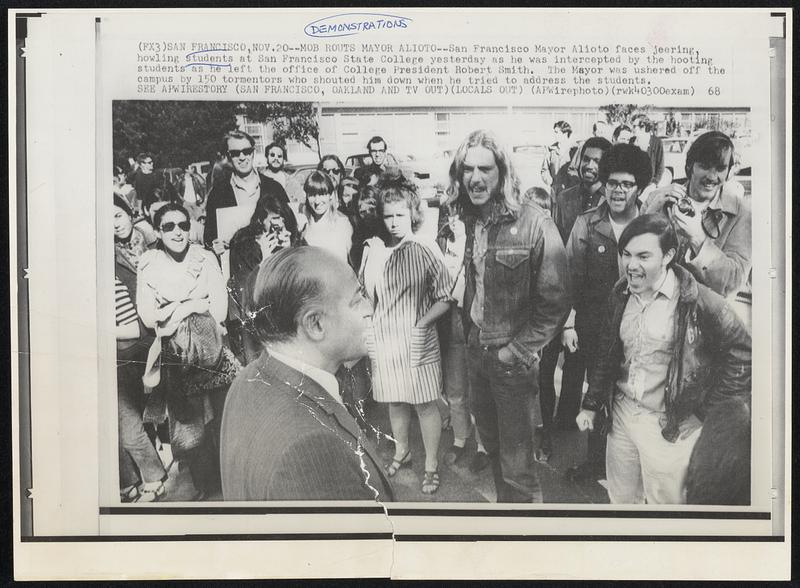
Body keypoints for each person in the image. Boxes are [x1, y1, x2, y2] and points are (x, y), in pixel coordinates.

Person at [575, 214, 751, 504]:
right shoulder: (620, 294)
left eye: (644, 256)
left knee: (667, 511)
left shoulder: (699, 301)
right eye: (627, 254)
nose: (632, 265)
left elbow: (744, 354)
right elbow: (607, 352)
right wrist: (591, 404)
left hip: (668, 429)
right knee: (621, 501)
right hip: (621, 418)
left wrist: (704, 413)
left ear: (668, 255)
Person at [449, 129, 570, 503]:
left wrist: (515, 352)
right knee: (494, 449)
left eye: (485, 168)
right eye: (468, 169)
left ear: (502, 172)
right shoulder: (470, 220)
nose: (475, 178)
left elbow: (556, 302)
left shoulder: (535, 224)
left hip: (511, 361)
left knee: (518, 468)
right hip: (477, 353)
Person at [220, 247, 394, 501]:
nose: (369, 307)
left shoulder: (246, 379)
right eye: (357, 299)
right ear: (315, 324)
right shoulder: (313, 450)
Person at [137, 202, 239, 499]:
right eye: (169, 226)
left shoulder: (204, 258)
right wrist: (194, 304)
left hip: (211, 350)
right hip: (176, 354)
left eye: (183, 225)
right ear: (158, 231)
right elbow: (147, 315)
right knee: (189, 428)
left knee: (222, 421)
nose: (177, 232)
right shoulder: (150, 263)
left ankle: (232, 486)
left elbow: (219, 308)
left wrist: (175, 310)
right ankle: (207, 490)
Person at [563, 143, 652, 482]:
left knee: (635, 393)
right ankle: (596, 461)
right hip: (594, 323)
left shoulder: (651, 224)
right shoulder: (587, 223)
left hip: (640, 324)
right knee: (596, 391)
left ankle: (635, 463)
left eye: (626, 184)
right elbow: (570, 277)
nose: (617, 190)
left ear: (638, 187)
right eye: (612, 182)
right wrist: (568, 324)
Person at [360, 177, 453, 494]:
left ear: (413, 213)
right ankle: (403, 450)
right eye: (388, 215)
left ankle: (430, 465)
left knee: (425, 404)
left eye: (400, 215)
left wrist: (421, 325)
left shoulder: (426, 248)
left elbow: (446, 296)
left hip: (417, 340)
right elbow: (366, 298)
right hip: (385, 340)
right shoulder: (375, 251)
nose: (394, 222)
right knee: (396, 401)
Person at [538, 136, 613, 461]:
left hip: (590, 299)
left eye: (598, 161)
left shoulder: (610, 202)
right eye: (587, 159)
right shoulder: (564, 197)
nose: (590, 166)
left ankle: (566, 419)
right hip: (556, 291)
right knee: (545, 362)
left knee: (578, 361)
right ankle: (547, 423)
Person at [642, 130, 751, 299]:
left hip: (704, 317)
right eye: (705, 166)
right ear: (690, 165)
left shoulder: (740, 214)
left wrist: (698, 239)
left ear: (729, 171)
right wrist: (651, 214)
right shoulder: (659, 199)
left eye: (720, 168)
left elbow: (733, 284)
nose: (712, 176)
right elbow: (634, 258)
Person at [113, 195, 167, 502]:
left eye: (118, 215)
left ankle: (154, 473)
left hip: (147, 333)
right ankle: (141, 475)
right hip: (135, 336)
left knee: (146, 410)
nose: (114, 224)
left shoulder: (150, 240)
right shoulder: (110, 253)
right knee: (134, 412)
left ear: (129, 213)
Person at [436, 202, 489, 471]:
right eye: (449, 214)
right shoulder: (442, 241)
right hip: (449, 319)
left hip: (474, 320)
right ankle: (459, 437)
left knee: (478, 386)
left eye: (459, 214)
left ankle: (483, 445)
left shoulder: (480, 239)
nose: (454, 219)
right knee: (455, 387)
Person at [228, 194, 302, 365]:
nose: (277, 229)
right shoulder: (244, 246)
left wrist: (289, 251)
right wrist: (264, 259)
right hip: (259, 326)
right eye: (273, 221)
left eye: (281, 222)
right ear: (261, 222)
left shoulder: (293, 241)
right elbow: (244, 296)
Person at [203, 130, 290, 252]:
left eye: (247, 152)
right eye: (235, 153)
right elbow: (209, 237)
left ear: (253, 153)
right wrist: (214, 247)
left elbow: (290, 225)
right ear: (228, 156)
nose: (242, 157)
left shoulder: (275, 188)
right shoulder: (217, 194)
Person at [298, 170, 353, 265]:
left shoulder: (342, 224)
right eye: (312, 195)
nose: (317, 201)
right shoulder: (303, 223)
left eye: (322, 194)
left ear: (331, 195)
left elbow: (349, 262)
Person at [631, 114, 666, 189]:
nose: (632, 129)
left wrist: (654, 183)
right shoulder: (632, 141)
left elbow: (660, 166)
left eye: (634, 126)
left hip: (649, 186)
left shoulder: (657, 142)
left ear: (643, 126)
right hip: (633, 184)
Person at [541, 121, 576, 196]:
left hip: (570, 191)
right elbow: (544, 169)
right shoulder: (551, 150)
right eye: (554, 132)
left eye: (557, 132)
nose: (555, 135)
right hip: (555, 191)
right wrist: (550, 181)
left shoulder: (574, 150)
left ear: (565, 133)